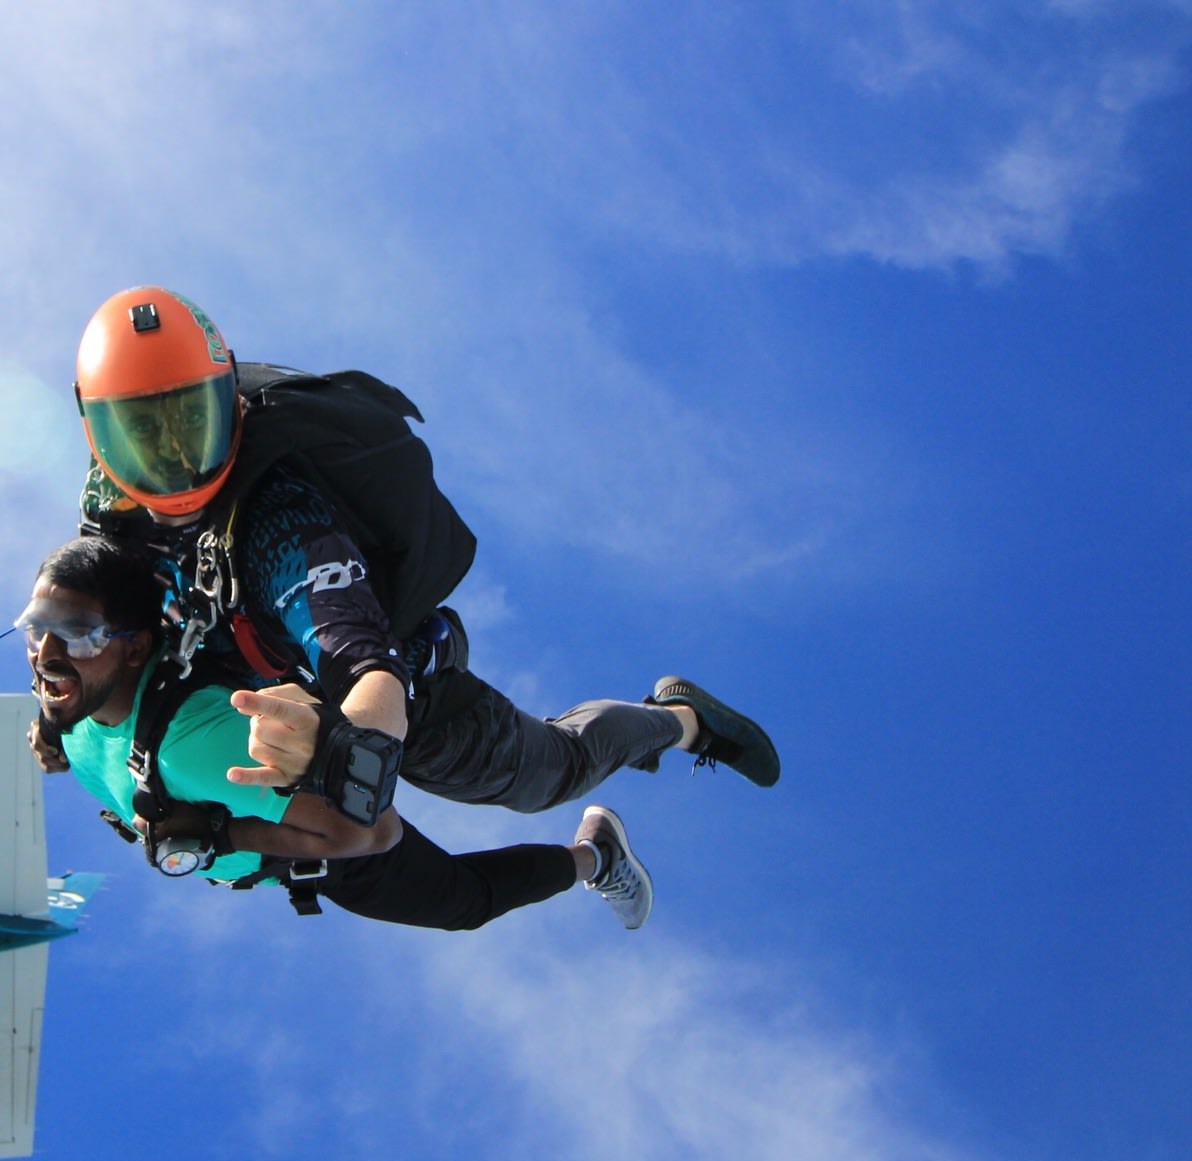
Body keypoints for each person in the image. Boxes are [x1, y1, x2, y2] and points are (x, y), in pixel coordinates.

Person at [69, 284, 779, 822]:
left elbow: (354, 647)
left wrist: (357, 744)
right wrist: (59, 710)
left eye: (195, 421)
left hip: (402, 681)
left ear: (235, 403)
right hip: (250, 660)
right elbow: (86, 603)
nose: (179, 463)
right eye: (142, 436)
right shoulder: (109, 506)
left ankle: (683, 722)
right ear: (97, 437)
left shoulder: (282, 520)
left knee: (550, 774)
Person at [22, 536, 654, 931]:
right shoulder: (74, 711)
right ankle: (600, 845)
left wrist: (217, 837)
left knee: (467, 901)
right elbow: (81, 715)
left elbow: (372, 831)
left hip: (322, 846)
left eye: (78, 633)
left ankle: (599, 853)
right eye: (36, 627)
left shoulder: (195, 747)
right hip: (300, 816)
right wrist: (54, 731)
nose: (46, 652)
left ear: (135, 652)